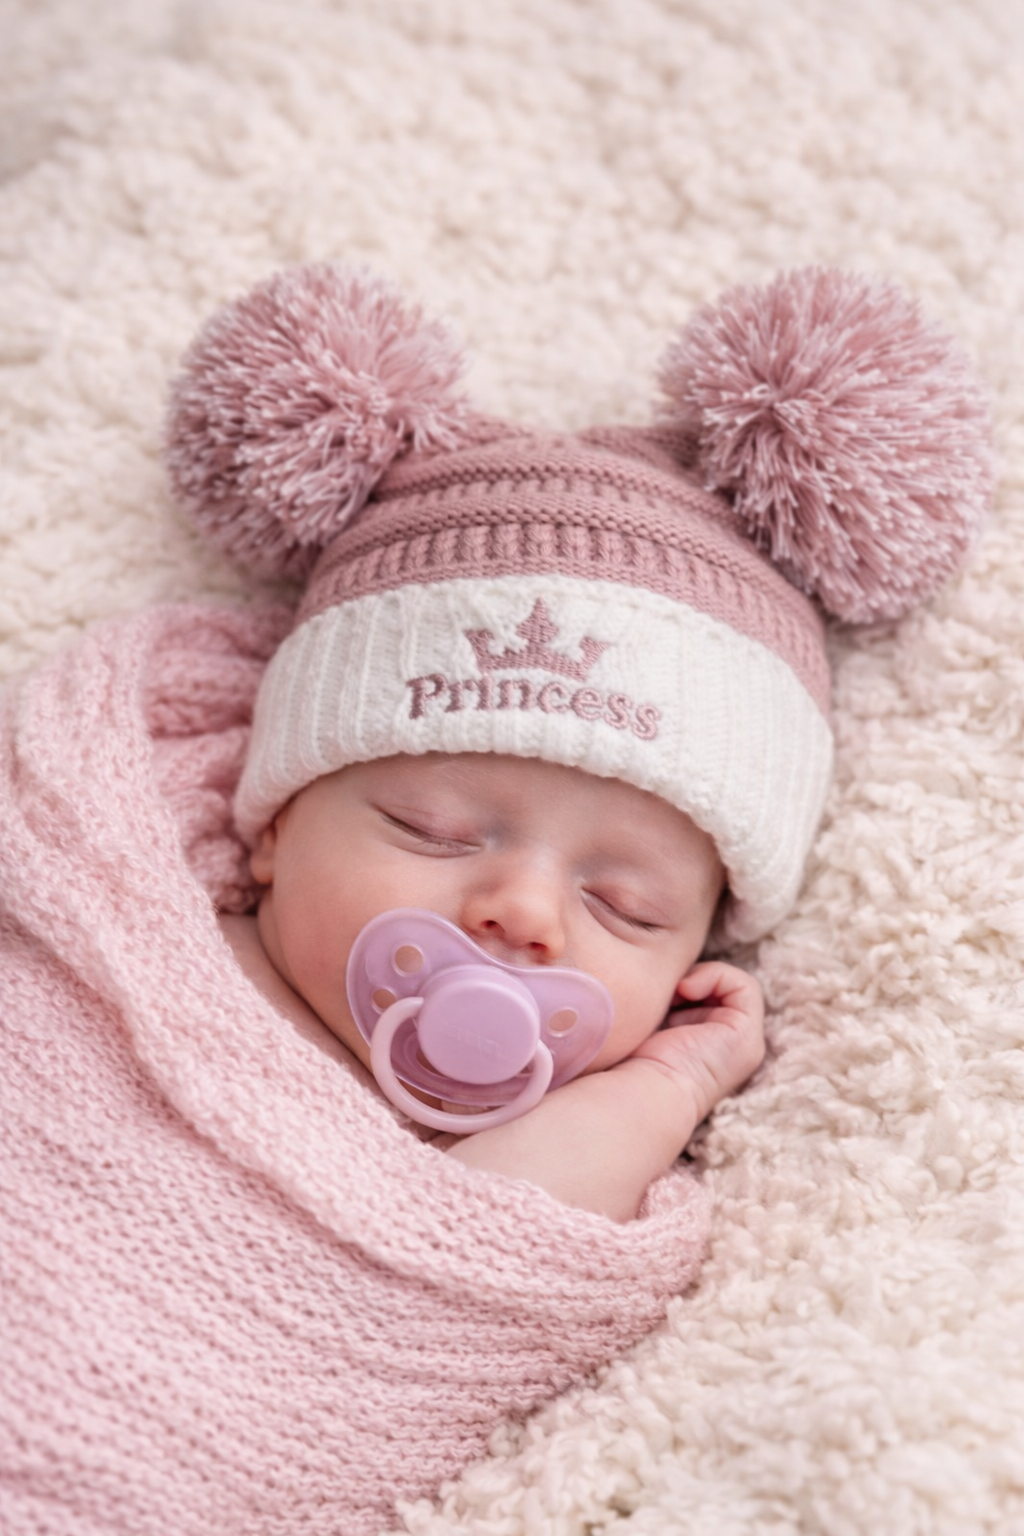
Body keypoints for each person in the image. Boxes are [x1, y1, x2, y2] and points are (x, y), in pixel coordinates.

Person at [0, 261, 992, 1534]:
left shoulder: (521, 1134)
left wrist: (671, 1082)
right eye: (431, 827)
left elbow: (506, 1232)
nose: (521, 913)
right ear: (273, 827)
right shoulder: (119, 928)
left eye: (626, 906)